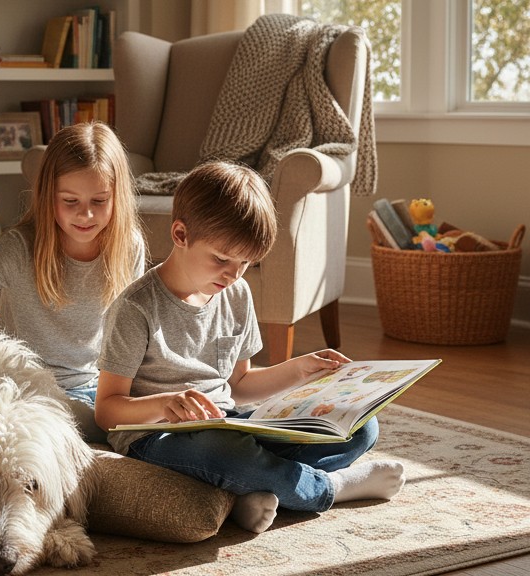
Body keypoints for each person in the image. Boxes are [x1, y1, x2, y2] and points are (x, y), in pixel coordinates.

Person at [95, 161, 405, 533]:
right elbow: (107, 412)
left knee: (361, 427)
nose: (233, 273)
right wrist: (164, 404)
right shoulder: (135, 309)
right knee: (226, 454)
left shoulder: (236, 293)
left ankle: (249, 490)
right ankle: (331, 488)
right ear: (180, 234)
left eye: (245, 262)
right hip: (157, 437)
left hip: (229, 424)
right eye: (222, 259)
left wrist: (298, 371)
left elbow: (239, 385)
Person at [0, 121, 147, 442]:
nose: (85, 215)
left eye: (99, 201)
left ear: (117, 196)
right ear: (47, 195)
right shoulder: (19, 248)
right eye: (70, 201)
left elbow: (134, 334)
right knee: (104, 426)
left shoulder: (129, 246)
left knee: (146, 417)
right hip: (27, 385)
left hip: (97, 386)